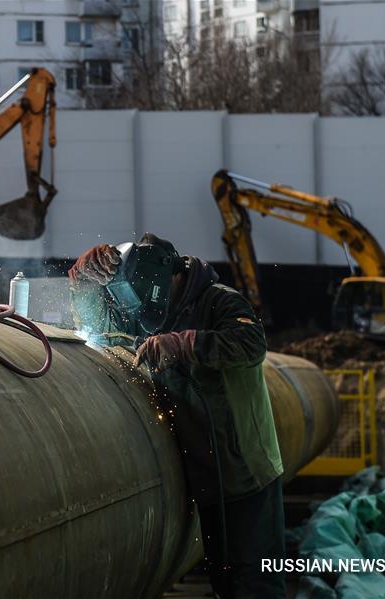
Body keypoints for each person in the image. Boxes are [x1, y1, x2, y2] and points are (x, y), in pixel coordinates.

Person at [68, 234, 286, 599]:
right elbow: (101, 328)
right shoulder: (150, 313)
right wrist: (83, 282)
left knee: (256, 586)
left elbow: (252, 344)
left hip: (246, 472)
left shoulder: (219, 300)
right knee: (226, 583)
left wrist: (184, 344)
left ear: (165, 275)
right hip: (206, 475)